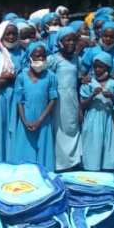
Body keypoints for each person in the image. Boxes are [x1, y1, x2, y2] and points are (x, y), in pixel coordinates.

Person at [12, 42, 57, 170]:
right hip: (26, 119)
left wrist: (40, 120)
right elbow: (19, 101)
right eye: (37, 56)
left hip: (43, 119)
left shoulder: (50, 76)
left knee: (44, 148)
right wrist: (24, 120)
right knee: (25, 148)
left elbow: (52, 100)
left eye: (43, 56)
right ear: (29, 57)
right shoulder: (21, 77)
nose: (41, 59)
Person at [46, 27, 82, 170]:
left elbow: (77, 84)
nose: (71, 43)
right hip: (58, 101)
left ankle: (73, 163)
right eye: (68, 40)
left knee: (72, 129)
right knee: (59, 131)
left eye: (74, 40)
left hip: (72, 99)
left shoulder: (77, 59)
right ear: (60, 42)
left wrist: (79, 107)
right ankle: (60, 165)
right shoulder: (53, 60)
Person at [0, 21, 22, 162]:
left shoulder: (22, 53)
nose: (11, 37)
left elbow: (24, 78)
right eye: (8, 33)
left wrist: (7, 76)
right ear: (1, 35)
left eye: (14, 33)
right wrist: (14, 77)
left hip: (17, 97)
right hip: (0, 98)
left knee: (15, 129)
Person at [80, 51, 114, 171]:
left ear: (108, 67)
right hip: (93, 117)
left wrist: (111, 96)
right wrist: (92, 95)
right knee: (93, 143)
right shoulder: (88, 83)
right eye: (95, 67)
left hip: (108, 118)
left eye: (101, 67)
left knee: (108, 144)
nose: (97, 69)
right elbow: (82, 104)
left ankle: (106, 169)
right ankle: (91, 169)